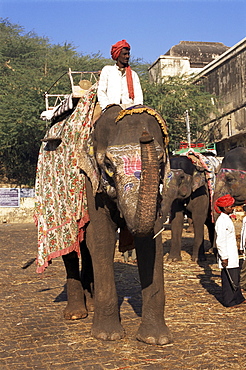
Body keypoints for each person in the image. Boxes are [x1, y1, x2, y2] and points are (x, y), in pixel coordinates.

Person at [214, 194, 245, 307]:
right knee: (229, 279)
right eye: (230, 206)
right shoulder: (221, 221)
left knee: (235, 276)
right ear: (224, 208)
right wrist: (224, 257)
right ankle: (229, 301)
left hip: (232, 253)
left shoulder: (227, 219)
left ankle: (238, 298)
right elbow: (220, 241)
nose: (232, 208)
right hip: (227, 255)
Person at [97, 39, 143, 110]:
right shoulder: (107, 71)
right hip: (110, 109)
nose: (127, 56)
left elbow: (138, 96)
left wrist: (136, 109)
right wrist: (106, 108)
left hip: (130, 110)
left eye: (128, 54)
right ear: (118, 55)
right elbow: (101, 92)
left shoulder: (133, 74)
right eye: (124, 54)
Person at [239, 205, 246, 290]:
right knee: (244, 267)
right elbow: (243, 234)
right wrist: (241, 246)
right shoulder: (245, 220)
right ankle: (242, 283)